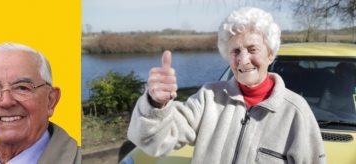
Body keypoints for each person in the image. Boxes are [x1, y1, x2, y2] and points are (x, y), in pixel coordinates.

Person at [127, 7, 325, 164]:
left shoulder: (295, 112)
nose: (243, 59)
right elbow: (154, 142)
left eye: (252, 49)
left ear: (270, 53)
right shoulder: (209, 98)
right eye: (235, 51)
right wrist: (156, 104)